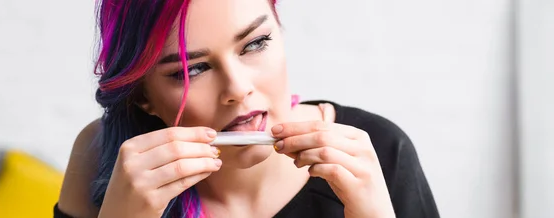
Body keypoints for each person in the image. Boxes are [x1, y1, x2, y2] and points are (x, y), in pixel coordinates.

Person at [54, 0, 440, 217]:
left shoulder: (378, 152)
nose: (238, 89)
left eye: (255, 44)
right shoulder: (101, 158)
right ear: (142, 95)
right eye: (194, 69)